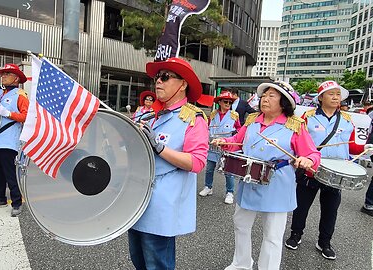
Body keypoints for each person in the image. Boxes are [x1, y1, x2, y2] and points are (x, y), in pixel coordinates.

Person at [212, 80, 321, 270]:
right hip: (249, 179)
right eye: (264, 95)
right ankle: (241, 263)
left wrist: (307, 161)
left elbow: (313, 153)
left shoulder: (295, 125)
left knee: (272, 235)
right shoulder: (252, 120)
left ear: (284, 102)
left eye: (272, 96)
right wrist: (224, 141)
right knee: (241, 224)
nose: (265, 99)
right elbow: (237, 142)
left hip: (277, 184)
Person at [128, 57, 208, 269]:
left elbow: (197, 162)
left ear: (182, 85)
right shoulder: (149, 116)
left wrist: (160, 148)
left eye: (165, 77)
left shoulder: (193, 118)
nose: (158, 82)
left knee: (157, 264)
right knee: (138, 260)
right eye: (157, 77)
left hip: (163, 202)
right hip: (137, 197)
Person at [285, 80, 362, 260]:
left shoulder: (348, 120)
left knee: (331, 209)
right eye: (331, 94)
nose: (336, 97)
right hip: (311, 169)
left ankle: (324, 241)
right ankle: (296, 234)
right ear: (320, 98)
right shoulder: (308, 117)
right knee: (302, 205)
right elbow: (297, 141)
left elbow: (354, 147)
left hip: (336, 173)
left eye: (338, 94)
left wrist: (366, 147)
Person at [0, 63, 29, 217]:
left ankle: (16, 202)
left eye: (7, 73)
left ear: (16, 78)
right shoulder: (0, 94)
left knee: (10, 174)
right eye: (2, 74)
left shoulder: (20, 95)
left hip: (8, 141)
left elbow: (26, 117)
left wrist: (8, 114)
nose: (3, 76)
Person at [199, 91, 241, 204]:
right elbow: (207, 128)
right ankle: (208, 187)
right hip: (212, 146)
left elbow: (239, 130)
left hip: (226, 147)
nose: (228, 103)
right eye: (226, 101)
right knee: (209, 169)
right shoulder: (212, 114)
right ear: (220, 102)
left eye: (230, 102)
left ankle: (230, 192)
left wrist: (234, 138)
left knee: (228, 172)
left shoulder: (234, 115)